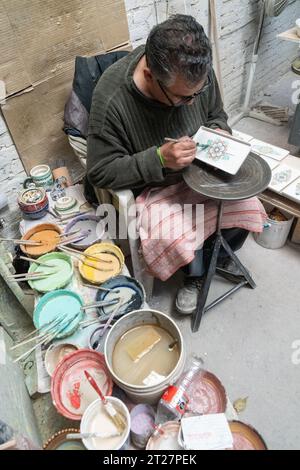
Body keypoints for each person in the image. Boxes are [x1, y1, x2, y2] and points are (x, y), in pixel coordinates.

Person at [87, 14, 266, 315]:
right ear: (149, 75)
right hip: (156, 187)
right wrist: (157, 159)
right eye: (184, 99)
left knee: (248, 203)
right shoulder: (112, 99)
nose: (194, 102)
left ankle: (210, 258)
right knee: (176, 232)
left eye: (199, 92)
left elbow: (215, 114)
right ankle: (194, 275)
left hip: (203, 169)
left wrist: (220, 129)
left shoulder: (195, 74)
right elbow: (99, 170)